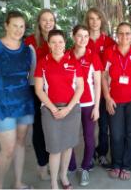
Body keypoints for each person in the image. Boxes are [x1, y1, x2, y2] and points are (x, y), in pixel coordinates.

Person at [0, 11, 35, 189]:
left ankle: (18, 182)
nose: (18, 29)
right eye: (15, 25)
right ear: (6, 25)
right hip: (1, 103)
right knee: (8, 148)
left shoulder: (27, 50)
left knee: (20, 142)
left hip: (24, 101)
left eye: (22, 26)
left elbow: (30, 76)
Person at [34, 29, 84, 189]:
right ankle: (54, 181)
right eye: (53, 42)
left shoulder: (73, 61)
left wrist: (68, 109)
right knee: (55, 148)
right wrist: (53, 109)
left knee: (68, 145)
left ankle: (63, 176)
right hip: (50, 110)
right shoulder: (42, 62)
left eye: (60, 42)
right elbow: (39, 90)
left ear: (65, 43)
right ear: (48, 44)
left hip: (71, 109)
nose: (57, 45)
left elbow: (80, 88)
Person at [102, 22, 131, 180]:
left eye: (127, 33)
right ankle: (116, 164)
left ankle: (126, 166)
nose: (124, 36)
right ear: (116, 35)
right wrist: (107, 97)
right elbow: (104, 75)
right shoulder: (109, 52)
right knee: (115, 134)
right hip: (115, 100)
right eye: (121, 33)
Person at [67, 25, 102, 186]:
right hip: (69, 104)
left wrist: (96, 107)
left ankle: (86, 167)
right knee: (70, 137)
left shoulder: (93, 56)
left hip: (88, 103)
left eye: (86, 36)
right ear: (73, 37)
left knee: (89, 137)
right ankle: (71, 166)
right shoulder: (65, 55)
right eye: (79, 36)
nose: (83, 39)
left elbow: (97, 83)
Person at [24, 8, 56, 180]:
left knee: (53, 128)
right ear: (39, 22)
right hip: (35, 90)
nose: (48, 23)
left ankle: (54, 163)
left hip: (55, 90)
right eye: (44, 20)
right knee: (39, 130)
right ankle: (42, 165)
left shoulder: (58, 38)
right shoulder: (30, 41)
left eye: (51, 19)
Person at [85, 7, 116, 169]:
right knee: (89, 127)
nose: (95, 22)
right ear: (87, 21)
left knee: (104, 126)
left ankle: (102, 153)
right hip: (87, 91)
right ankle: (89, 155)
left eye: (97, 18)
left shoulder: (110, 42)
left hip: (105, 91)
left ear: (102, 21)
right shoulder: (82, 40)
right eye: (91, 18)